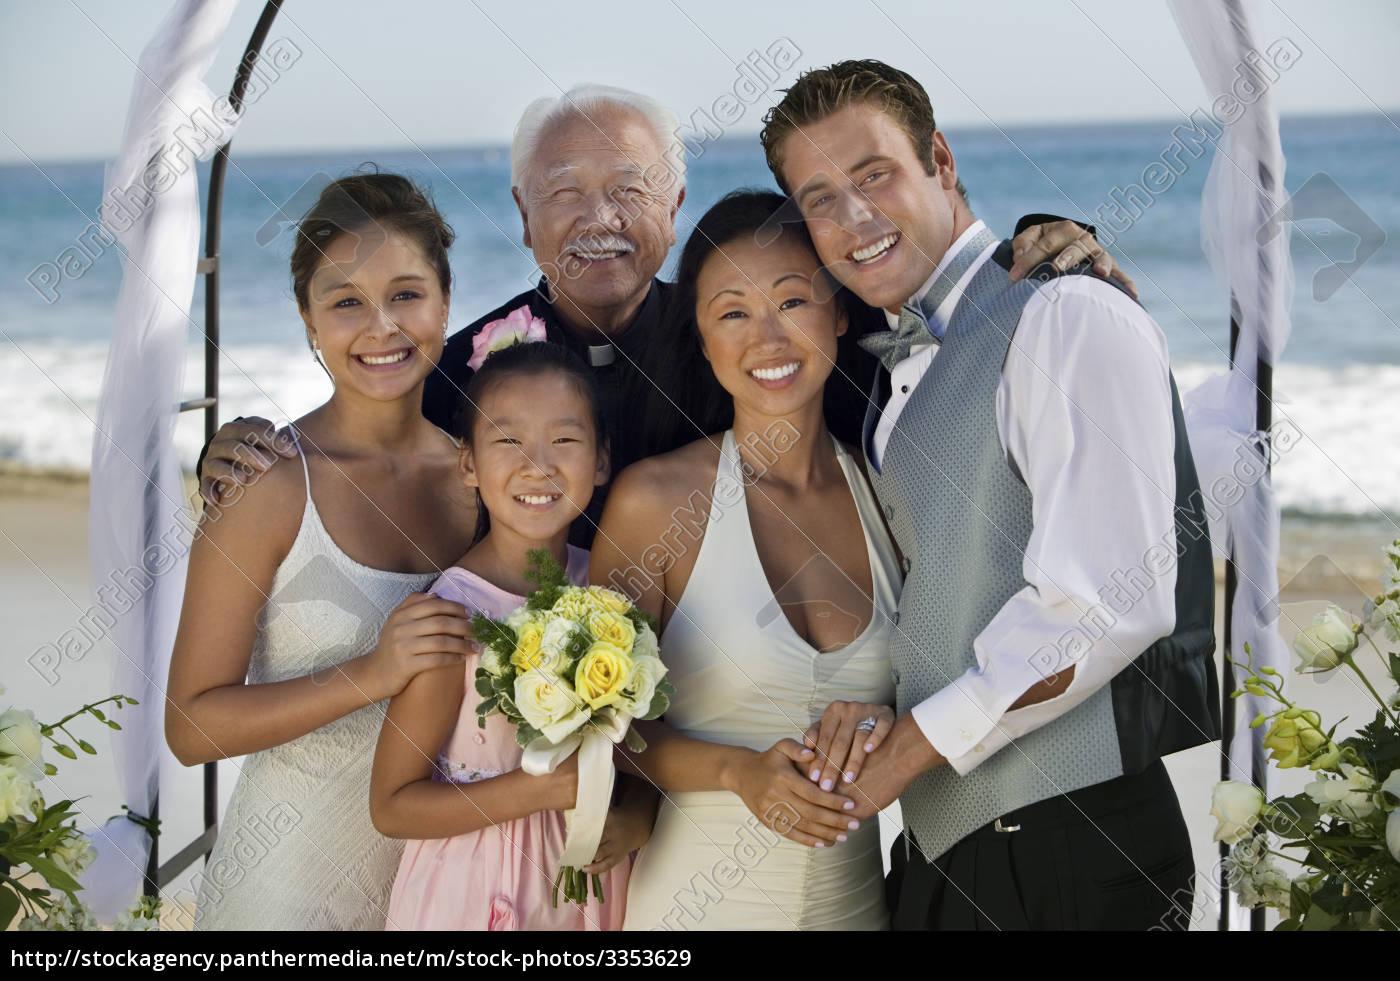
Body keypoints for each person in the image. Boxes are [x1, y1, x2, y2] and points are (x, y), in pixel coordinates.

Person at [194, 86, 1130, 548]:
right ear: (521, 215)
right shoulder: (464, 370)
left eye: (629, 190)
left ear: (674, 207)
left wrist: (1052, 247)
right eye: (564, 192)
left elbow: (930, 344)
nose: (599, 219)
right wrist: (236, 450)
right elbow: (368, 447)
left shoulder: (758, 337)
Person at [761, 60, 1219, 931]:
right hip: (946, 857)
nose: (854, 218)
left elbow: (1107, 602)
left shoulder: (1066, 315)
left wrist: (904, 751)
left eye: (875, 175)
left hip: (1074, 853)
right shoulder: (878, 368)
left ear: (940, 159)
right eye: (820, 198)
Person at [165, 173, 478, 930]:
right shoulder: (268, 483)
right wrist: (371, 673)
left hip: (445, 895)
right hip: (286, 896)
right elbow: (191, 727)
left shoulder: (484, 479)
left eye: (407, 293)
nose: (382, 326)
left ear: (444, 302)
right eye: (345, 301)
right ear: (308, 320)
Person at [590, 190, 901, 931]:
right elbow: (597, 722)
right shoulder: (654, 502)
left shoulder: (891, 495)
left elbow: (952, 685)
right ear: (701, 337)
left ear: (839, 313)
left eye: (792, 301)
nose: (767, 337)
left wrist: (888, 724)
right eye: (733, 312)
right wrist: (734, 770)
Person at [369, 341, 653, 931]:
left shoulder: (609, 591)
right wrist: (534, 792)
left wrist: (640, 816)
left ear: (601, 460)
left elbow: (645, 745)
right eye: (507, 441)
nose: (538, 464)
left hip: (589, 881)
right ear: (468, 463)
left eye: (565, 440)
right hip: (476, 889)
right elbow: (392, 806)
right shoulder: (450, 616)